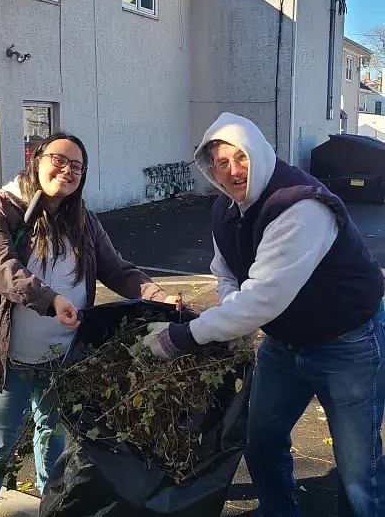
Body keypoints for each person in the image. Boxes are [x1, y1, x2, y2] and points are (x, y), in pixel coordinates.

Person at [142, 112, 385, 517]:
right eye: (220, 163)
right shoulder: (226, 208)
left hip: (347, 343)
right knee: (261, 438)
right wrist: (230, 310)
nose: (232, 171)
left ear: (260, 154)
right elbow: (224, 272)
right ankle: (279, 510)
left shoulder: (301, 206)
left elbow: (263, 299)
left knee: (358, 465)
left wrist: (182, 337)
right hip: (284, 342)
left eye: (241, 158)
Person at [0, 132, 178, 517]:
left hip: (64, 355)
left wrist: (157, 295)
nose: (67, 170)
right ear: (36, 160)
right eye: (59, 160)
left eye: (77, 166)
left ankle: (50, 508)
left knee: (55, 439)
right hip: (8, 359)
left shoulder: (83, 219)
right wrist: (51, 299)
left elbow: (116, 268)